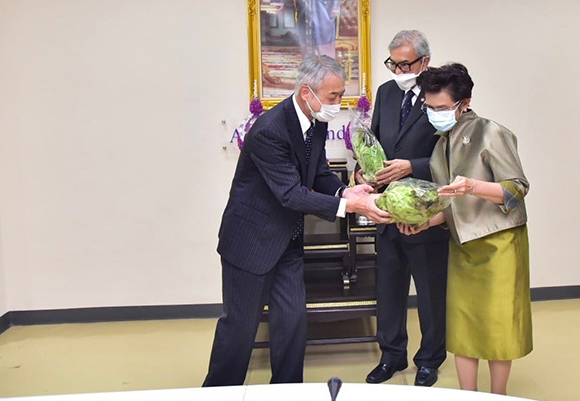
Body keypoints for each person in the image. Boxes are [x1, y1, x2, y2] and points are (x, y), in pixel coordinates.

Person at [203, 55, 392, 387]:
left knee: (292, 324)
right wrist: (350, 207)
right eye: (333, 97)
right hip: (250, 243)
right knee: (240, 330)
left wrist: (346, 192)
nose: (338, 103)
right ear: (308, 92)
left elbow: (317, 172)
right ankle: (218, 393)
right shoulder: (269, 130)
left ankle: (287, 392)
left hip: (287, 241)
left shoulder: (315, 122)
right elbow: (290, 193)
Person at [399, 63, 533, 396]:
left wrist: (473, 185)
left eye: (442, 108)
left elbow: (516, 190)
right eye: (429, 108)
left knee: (498, 329)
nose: (434, 114)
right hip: (462, 245)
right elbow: (451, 203)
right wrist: (424, 223)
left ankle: (497, 396)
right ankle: (467, 395)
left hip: (498, 245)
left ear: (465, 102)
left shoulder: (491, 133)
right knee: (463, 330)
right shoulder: (441, 143)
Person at [358, 30, 449, 387]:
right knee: (389, 292)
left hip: (427, 213)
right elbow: (376, 140)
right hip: (387, 212)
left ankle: (429, 359)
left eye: (405, 64)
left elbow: (454, 153)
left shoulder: (442, 92)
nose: (398, 70)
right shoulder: (386, 92)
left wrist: (413, 165)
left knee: (430, 294)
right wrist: (363, 166)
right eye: (393, 63)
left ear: (424, 62)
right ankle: (391, 356)